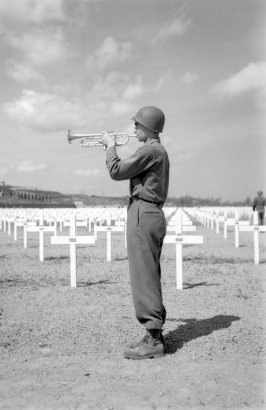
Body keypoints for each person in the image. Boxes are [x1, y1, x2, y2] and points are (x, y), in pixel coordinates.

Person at [101, 106, 170, 360]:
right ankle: (154, 332)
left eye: (138, 125)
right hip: (151, 213)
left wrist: (110, 146)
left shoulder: (150, 150)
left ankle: (153, 341)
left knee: (143, 276)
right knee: (149, 274)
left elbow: (116, 171)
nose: (133, 129)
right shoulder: (158, 151)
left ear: (149, 127)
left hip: (144, 213)